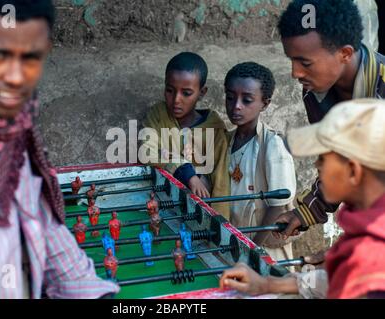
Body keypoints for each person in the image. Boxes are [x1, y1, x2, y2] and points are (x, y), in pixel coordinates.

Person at [0, 0, 118, 298]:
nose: (16, 77)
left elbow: (37, 217)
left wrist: (90, 292)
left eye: (30, 57)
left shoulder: (12, 126)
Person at [220, 99, 385, 299]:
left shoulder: (372, 256)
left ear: (353, 171)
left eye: (322, 159)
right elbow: (331, 279)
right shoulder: (366, 229)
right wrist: (267, 284)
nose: (317, 165)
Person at [274, 0, 385, 238]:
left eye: (305, 62)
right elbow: (337, 159)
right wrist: (306, 212)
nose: (295, 73)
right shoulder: (314, 92)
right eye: (291, 60)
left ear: (344, 53)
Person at [219, 62, 297, 262]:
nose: (236, 106)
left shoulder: (273, 145)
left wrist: (253, 248)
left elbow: (278, 204)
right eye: (230, 97)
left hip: (263, 250)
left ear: (266, 103)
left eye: (246, 100)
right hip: (234, 243)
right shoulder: (226, 141)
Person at [141, 52, 230, 216]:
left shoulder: (215, 130)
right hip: (160, 208)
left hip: (198, 214)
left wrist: (219, 225)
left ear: (202, 92)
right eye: (169, 90)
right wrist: (187, 172)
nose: (176, 100)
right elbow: (147, 151)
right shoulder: (158, 115)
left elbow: (221, 185)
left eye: (186, 93)